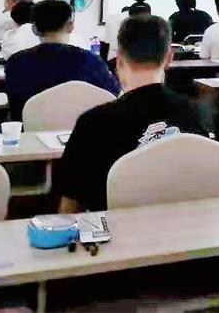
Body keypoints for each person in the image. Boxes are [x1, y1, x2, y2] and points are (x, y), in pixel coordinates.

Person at [55, 15, 210, 213]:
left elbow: (69, 208)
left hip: (113, 229)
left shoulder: (93, 123)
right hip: (184, 225)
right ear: (169, 58)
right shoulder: (193, 112)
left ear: (119, 59)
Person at [4, 0, 118, 120]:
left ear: (35, 29)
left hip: (30, 128)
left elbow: (15, 107)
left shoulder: (15, 62)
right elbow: (113, 95)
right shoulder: (91, 61)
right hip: (81, 128)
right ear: (70, 27)